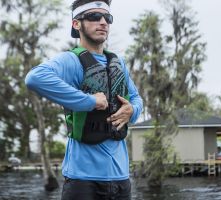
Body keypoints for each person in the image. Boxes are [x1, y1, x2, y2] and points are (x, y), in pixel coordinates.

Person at [25, 0, 143, 199]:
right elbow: (34, 78)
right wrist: (89, 101)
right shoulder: (70, 61)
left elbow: (136, 98)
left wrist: (133, 110)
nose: (103, 22)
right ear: (76, 24)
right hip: (83, 181)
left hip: (121, 179)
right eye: (94, 17)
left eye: (107, 18)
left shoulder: (118, 63)